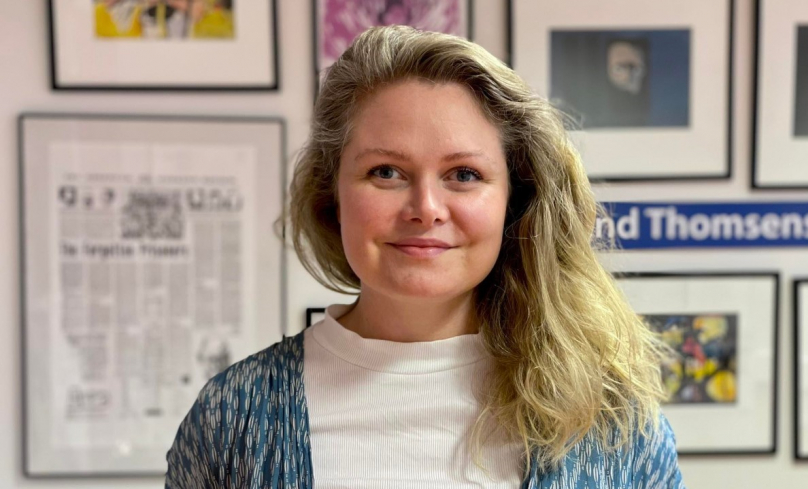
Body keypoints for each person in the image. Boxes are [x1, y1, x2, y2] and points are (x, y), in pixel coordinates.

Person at [165, 25, 684, 488]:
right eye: (386, 172)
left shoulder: (616, 426)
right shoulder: (231, 419)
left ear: (514, 201)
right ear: (332, 195)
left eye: (464, 175)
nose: (426, 209)